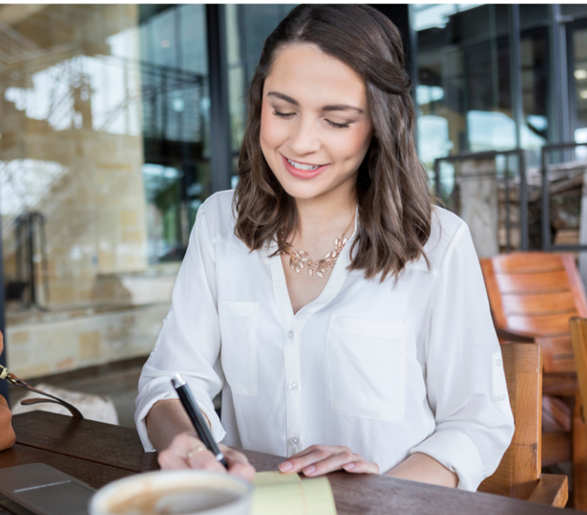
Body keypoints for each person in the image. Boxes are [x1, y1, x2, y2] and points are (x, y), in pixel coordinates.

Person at [135, 4, 514, 491]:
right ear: (259, 105)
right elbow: (170, 379)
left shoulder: (436, 244)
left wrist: (377, 499)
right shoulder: (218, 224)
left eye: (336, 120)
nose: (301, 142)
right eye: (283, 111)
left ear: (380, 122)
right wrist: (186, 440)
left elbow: (478, 424)